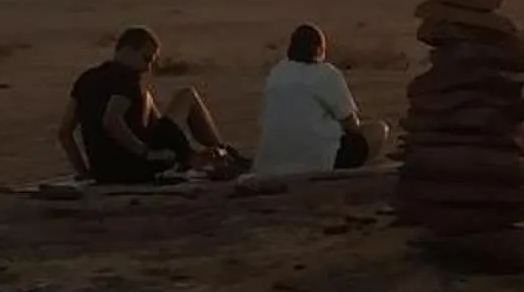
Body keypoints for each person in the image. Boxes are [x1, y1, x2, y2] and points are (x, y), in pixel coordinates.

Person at [59, 27, 232, 186]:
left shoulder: (86, 79)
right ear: (127, 50)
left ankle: (196, 155)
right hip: (135, 165)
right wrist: (146, 153)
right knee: (187, 95)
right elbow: (111, 120)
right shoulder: (126, 78)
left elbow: (65, 133)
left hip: (104, 172)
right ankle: (225, 153)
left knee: (147, 97)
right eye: (146, 59)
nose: (147, 68)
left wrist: (85, 172)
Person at [253, 23, 382, 178]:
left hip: (271, 163)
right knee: (378, 130)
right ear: (320, 50)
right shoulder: (327, 74)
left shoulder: (276, 74)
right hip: (319, 162)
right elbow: (351, 125)